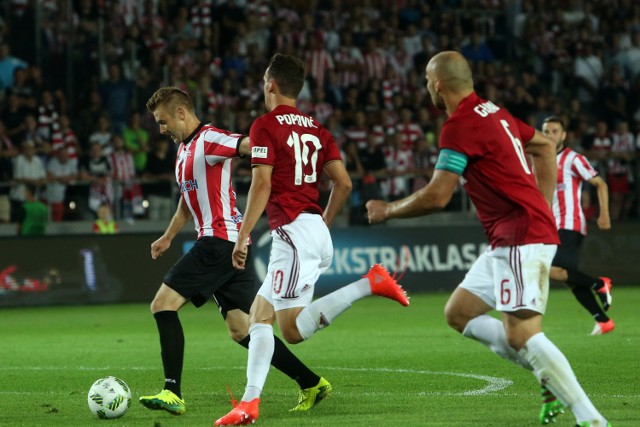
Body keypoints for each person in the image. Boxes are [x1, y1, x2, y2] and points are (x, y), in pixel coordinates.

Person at [366, 51, 610, 427]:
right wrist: (543, 204)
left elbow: (438, 195)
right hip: (512, 236)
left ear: (438, 85)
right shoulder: (494, 111)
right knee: (459, 313)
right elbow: (544, 147)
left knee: (522, 334)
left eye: (428, 82)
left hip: (519, 236)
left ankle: (591, 420)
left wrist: (388, 210)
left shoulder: (460, 124)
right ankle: (548, 377)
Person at [214, 54, 409, 427]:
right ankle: (249, 403)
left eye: (263, 80)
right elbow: (345, 183)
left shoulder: (265, 126)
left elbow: (262, 183)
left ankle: (370, 284)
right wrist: (322, 223)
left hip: (291, 232)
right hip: (311, 229)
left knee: (289, 329)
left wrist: (242, 237)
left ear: (271, 83)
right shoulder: (318, 130)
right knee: (259, 316)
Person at [139, 86, 331, 417]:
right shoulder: (184, 150)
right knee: (244, 328)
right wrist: (169, 236)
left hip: (217, 242)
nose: (161, 129)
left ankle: (172, 391)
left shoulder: (210, 139)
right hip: (222, 245)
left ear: (181, 113)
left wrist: (281, 153)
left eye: (163, 121)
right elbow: (188, 200)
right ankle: (311, 382)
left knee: (162, 305)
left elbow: (246, 145)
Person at [541, 116, 614, 335]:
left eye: (555, 131)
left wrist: (604, 214)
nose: (550, 135)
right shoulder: (539, 160)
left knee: (548, 269)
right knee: (570, 278)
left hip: (570, 223)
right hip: (551, 227)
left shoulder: (573, 159)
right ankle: (603, 320)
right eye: (546, 131)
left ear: (563, 135)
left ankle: (599, 283)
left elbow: (599, 183)